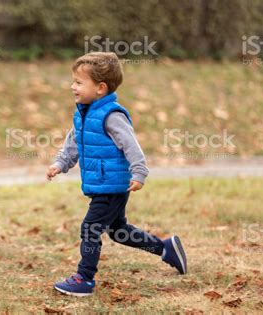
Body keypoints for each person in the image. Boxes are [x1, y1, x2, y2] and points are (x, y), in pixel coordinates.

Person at [46, 52, 187, 297]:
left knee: (90, 228)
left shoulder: (112, 115)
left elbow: (131, 145)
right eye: (73, 81)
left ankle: (84, 278)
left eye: (79, 82)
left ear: (100, 88)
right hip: (102, 184)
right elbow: (73, 143)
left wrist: (139, 172)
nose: (72, 87)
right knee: (119, 231)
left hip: (111, 186)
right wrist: (61, 163)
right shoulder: (84, 112)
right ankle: (166, 249)